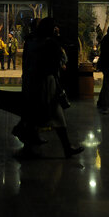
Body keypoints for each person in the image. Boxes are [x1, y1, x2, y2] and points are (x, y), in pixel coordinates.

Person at [21, 18, 83, 158]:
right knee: (54, 115)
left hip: (32, 82)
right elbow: (59, 61)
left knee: (34, 116)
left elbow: (27, 63)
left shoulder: (31, 42)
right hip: (47, 83)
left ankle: (29, 146)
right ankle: (66, 148)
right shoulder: (51, 44)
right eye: (54, 27)